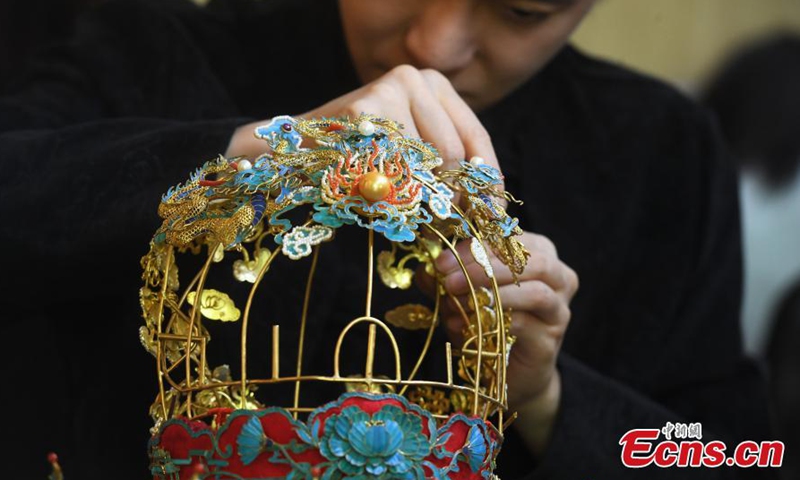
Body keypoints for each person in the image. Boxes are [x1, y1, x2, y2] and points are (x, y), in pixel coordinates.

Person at [0, 0, 774, 478]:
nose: (435, 44)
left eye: (522, 10)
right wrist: (252, 152)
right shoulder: (156, 53)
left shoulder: (660, 155)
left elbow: (735, 456)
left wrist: (548, 400)